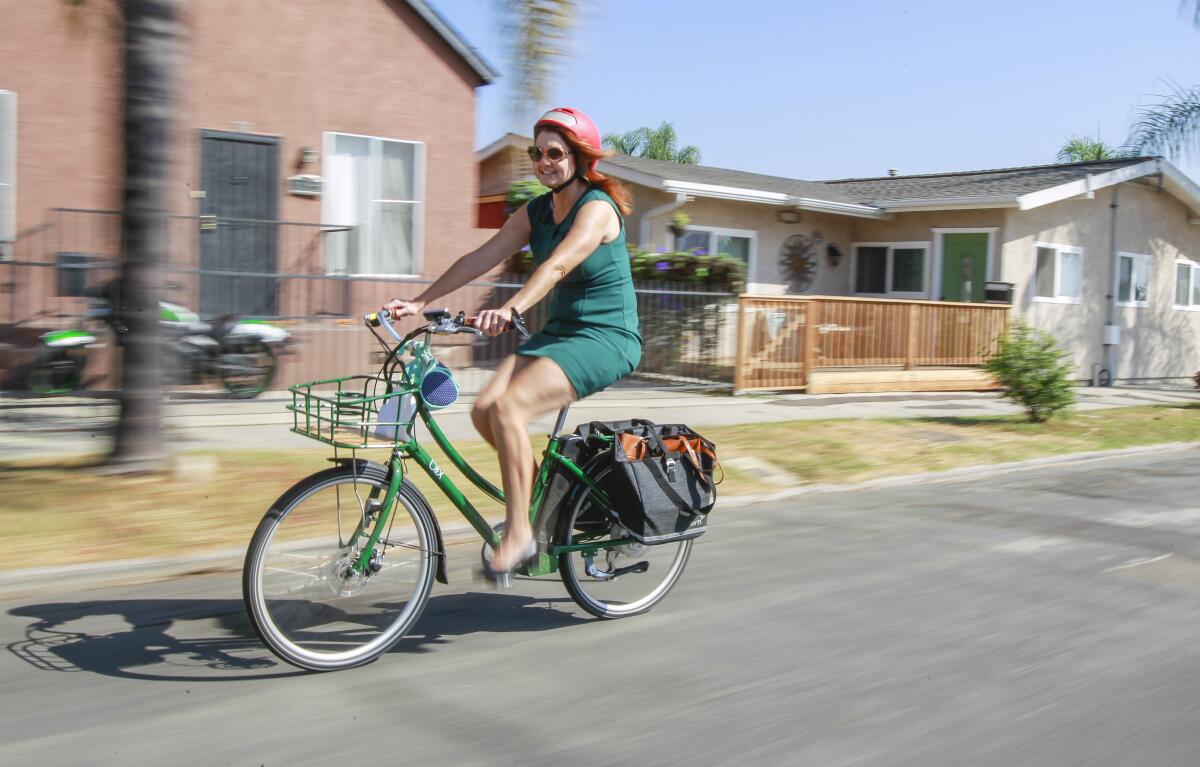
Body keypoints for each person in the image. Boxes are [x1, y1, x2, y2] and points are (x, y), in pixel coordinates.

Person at [384, 107, 641, 578]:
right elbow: (481, 256)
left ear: (580, 159)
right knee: (485, 409)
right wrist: (420, 301)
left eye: (556, 153)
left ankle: (521, 532)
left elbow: (557, 266)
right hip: (561, 333)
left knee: (509, 410)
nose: (544, 162)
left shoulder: (597, 209)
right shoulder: (538, 210)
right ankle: (538, 503)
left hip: (606, 338)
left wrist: (510, 309)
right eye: (537, 153)